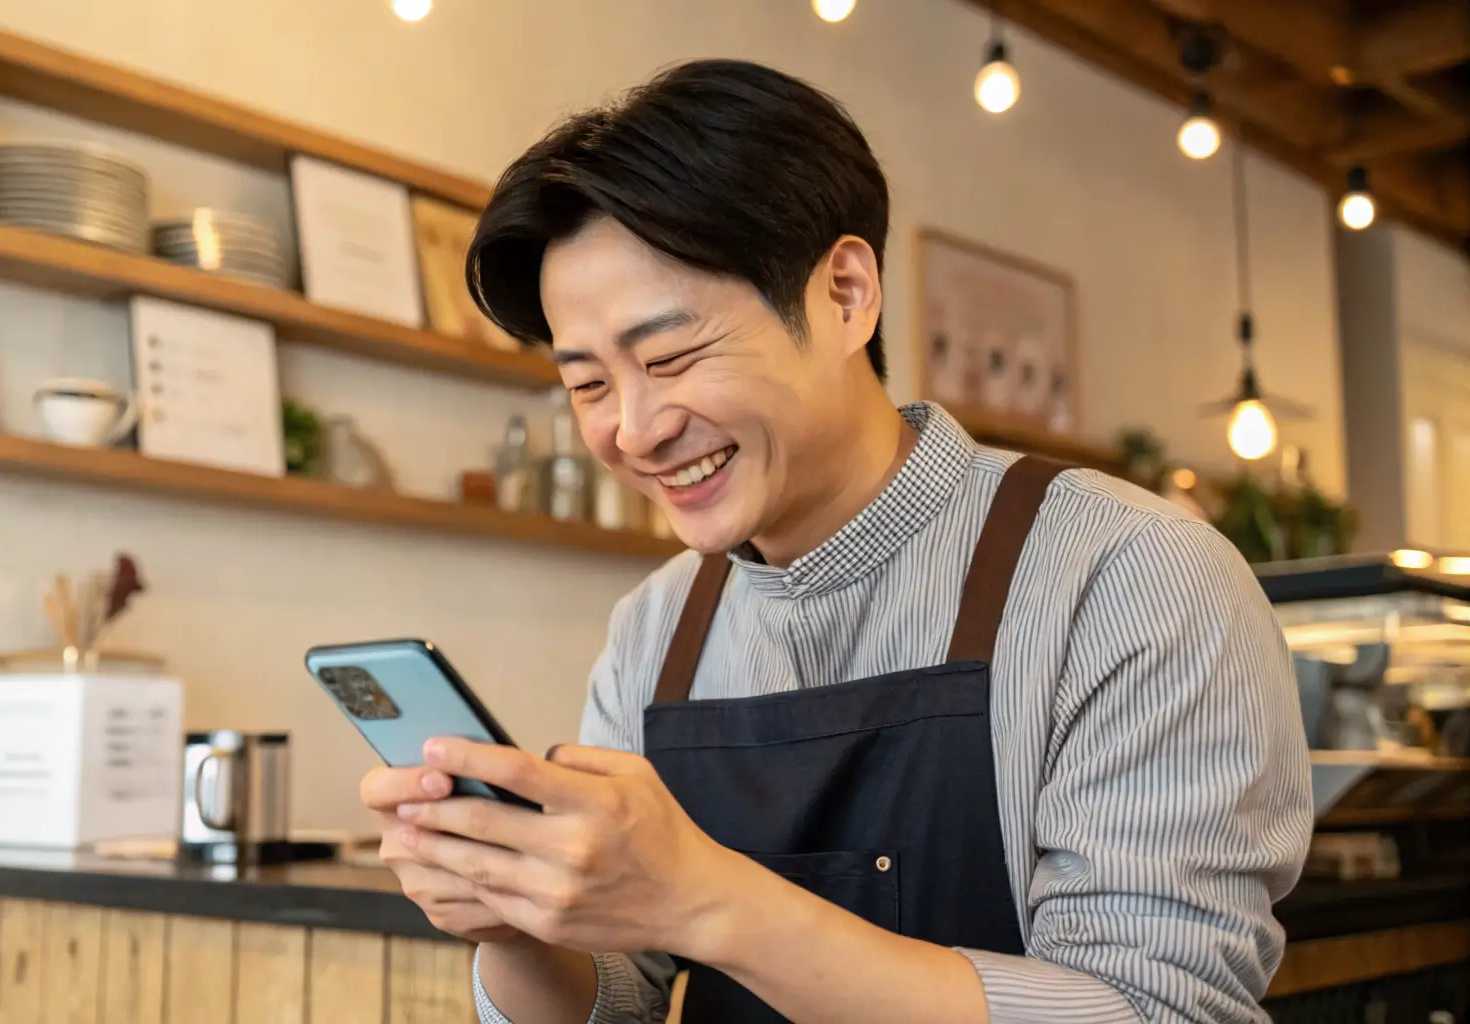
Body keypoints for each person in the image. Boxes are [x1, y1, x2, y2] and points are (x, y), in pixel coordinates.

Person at [360, 58, 1313, 1024]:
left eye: (671, 356)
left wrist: (710, 899)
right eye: (590, 385)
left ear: (847, 293)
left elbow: (1158, 1011)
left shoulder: (1130, 576)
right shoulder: (656, 628)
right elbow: (624, 997)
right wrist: (521, 927)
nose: (635, 430)